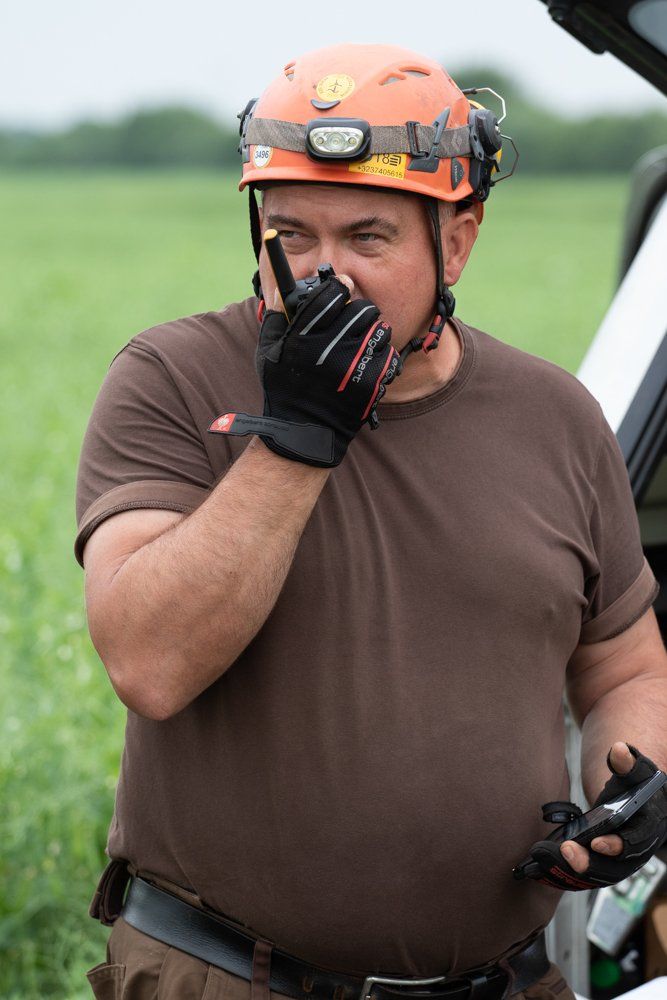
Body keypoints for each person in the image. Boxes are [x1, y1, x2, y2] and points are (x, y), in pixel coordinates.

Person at [75, 44, 667, 1000]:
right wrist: (296, 437)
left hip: (504, 979)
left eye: (367, 237)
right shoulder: (171, 379)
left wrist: (631, 786)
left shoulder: (553, 416)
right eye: (290, 235)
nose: (325, 275)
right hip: (231, 976)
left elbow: (624, 663)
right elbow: (150, 663)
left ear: (456, 242)